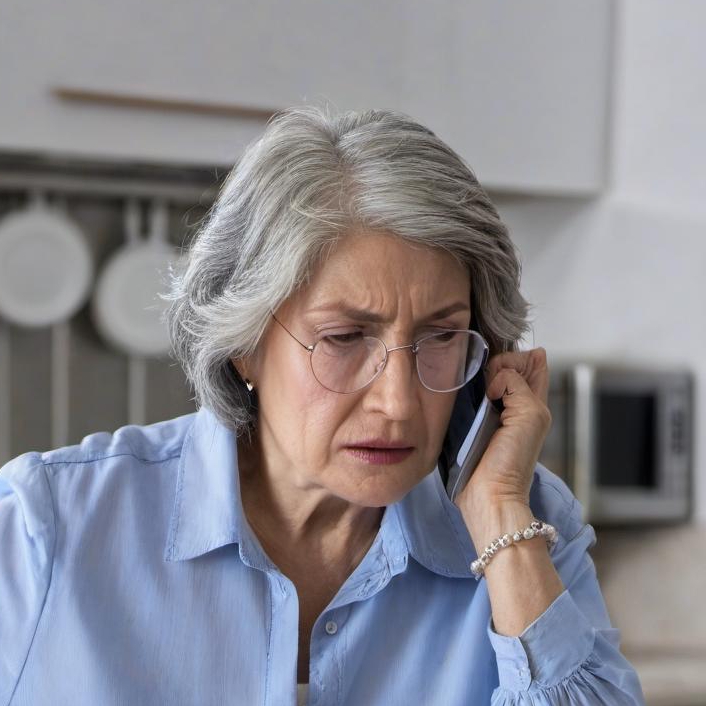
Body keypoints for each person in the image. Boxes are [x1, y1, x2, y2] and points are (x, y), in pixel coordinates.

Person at [0, 106, 646, 706]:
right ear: (244, 344)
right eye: (343, 339)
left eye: (441, 336)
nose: (398, 402)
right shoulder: (43, 527)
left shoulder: (526, 525)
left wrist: (501, 515)